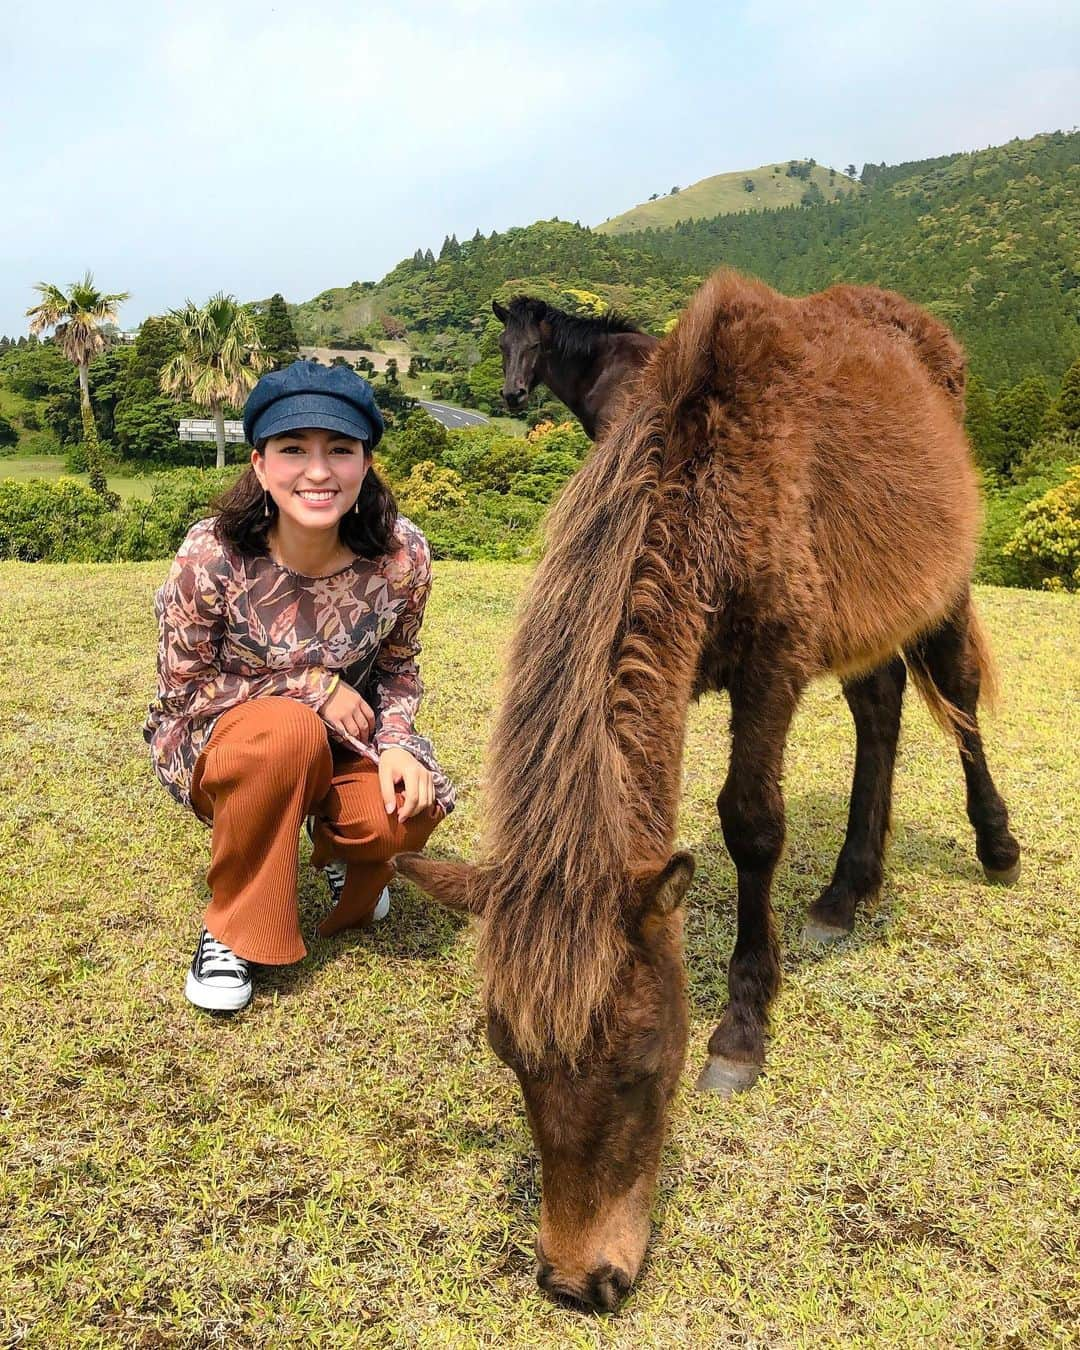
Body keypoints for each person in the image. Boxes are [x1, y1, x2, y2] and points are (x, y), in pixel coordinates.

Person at [144, 361, 455, 1012]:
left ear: (365, 462)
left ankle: (337, 842)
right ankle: (231, 927)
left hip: (348, 738)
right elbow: (185, 690)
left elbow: (398, 667)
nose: (319, 472)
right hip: (226, 740)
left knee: (408, 807)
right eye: (293, 450)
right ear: (259, 464)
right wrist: (309, 686)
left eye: (340, 449)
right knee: (286, 732)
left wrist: (398, 742)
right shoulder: (213, 558)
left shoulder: (402, 557)